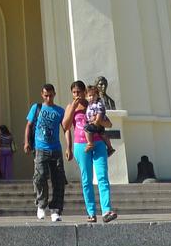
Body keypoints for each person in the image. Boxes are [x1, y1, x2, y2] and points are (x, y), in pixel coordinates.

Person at [63, 80, 117, 224]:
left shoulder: (92, 104)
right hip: (81, 146)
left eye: (79, 92)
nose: (77, 95)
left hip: (98, 143)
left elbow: (108, 123)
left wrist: (98, 120)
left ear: (84, 93)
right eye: (74, 92)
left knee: (102, 177)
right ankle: (91, 212)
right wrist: (68, 148)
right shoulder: (70, 107)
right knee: (86, 180)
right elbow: (66, 126)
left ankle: (106, 211)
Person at [24, 83, 67, 222]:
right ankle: (41, 204)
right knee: (40, 176)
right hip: (40, 148)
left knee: (58, 180)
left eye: (51, 95)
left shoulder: (60, 111)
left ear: (54, 94)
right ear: (42, 95)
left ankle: (56, 210)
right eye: (46, 95)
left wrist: (69, 147)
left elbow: (66, 129)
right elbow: (29, 126)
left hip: (56, 149)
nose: (48, 97)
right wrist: (26, 142)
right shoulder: (36, 108)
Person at [83, 84, 114, 155]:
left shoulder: (98, 103)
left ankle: (90, 143)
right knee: (103, 134)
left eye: (94, 95)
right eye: (90, 96)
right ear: (86, 97)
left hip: (97, 122)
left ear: (97, 95)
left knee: (86, 128)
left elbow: (100, 112)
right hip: (95, 122)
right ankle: (110, 147)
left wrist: (96, 121)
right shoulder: (89, 104)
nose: (92, 97)